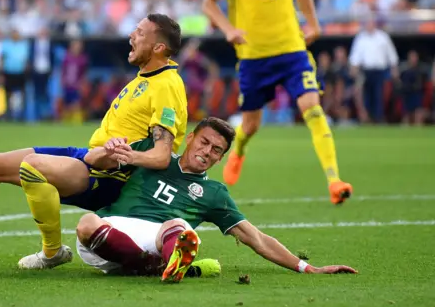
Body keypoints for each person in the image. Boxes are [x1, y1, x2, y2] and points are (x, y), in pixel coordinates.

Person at [0, 14, 190, 270]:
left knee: (32, 166)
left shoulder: (166, 85)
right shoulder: (144, 79)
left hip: (111, 175)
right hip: (90, 156)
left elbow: (161, 156)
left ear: (159, 47)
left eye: (141, 33)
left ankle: (52, 252)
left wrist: (124, 156)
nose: (131, 36)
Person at [77, 117, 358, 282]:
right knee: (87, 223)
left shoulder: (214, 194)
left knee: (178, 226)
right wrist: (109, 149)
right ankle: (155, 267)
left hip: (159, 240)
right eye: (204, 142)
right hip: (111, 232)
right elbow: (95, 161)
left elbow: (255, 238)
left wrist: (307, 267)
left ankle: (157, 263)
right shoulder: (151, 153)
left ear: (221, 158)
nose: (207, 151)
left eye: (216, 150)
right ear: (190, 138)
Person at [201, 0, 353, 205]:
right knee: (251, 125)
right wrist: (228, 29)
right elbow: (208, 3)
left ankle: (334, 180)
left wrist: (314, 23)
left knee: (313, 109)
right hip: (254, 58)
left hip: (292, 51)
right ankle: (239, 151)